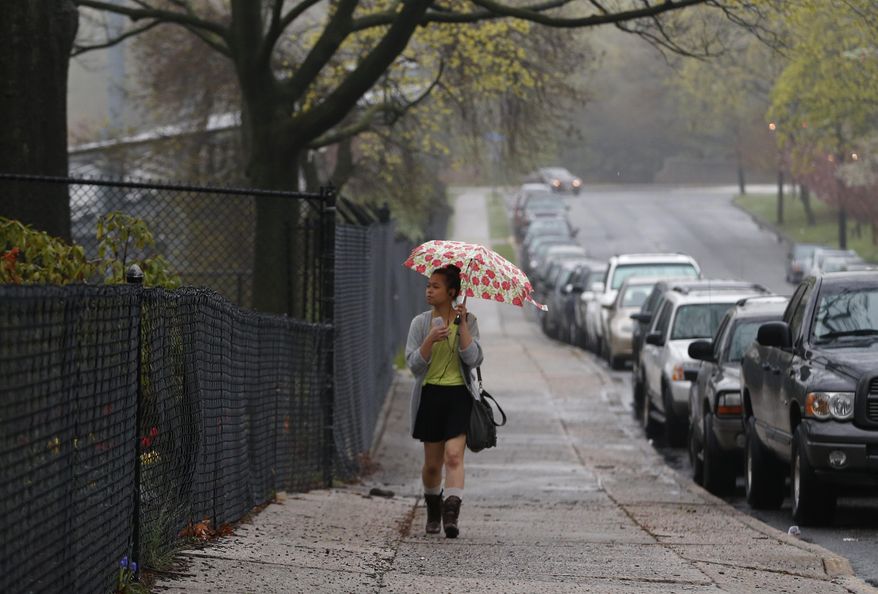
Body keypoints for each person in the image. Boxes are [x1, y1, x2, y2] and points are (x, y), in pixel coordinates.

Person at [405, 264, 483, 538]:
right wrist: (429, 341)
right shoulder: (420, 323)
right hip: (430, 395)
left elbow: (474, 360)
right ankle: (433, 507)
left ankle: (451, 515)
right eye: (428, 285)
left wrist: (462, 329)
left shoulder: (468, 321)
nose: (429, 290)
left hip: (458, 396)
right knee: (432, 465)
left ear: (452, 292)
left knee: (453, 456)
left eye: (435, 286)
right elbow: (413, 366)